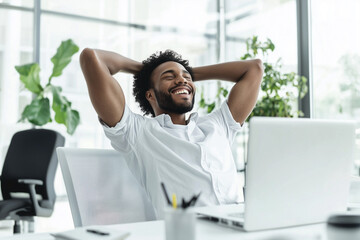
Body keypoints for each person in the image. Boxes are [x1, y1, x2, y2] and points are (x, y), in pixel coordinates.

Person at [80, 48, 263, 218]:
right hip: (190, 232)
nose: (182, 80)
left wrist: (189, 74)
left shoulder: (217, 125)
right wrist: (146, 70)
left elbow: (254, 69)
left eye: (186, 77)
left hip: (242, 224)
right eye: (169, 77)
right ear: (150, 95)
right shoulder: (136, 131)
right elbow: (92, 58)